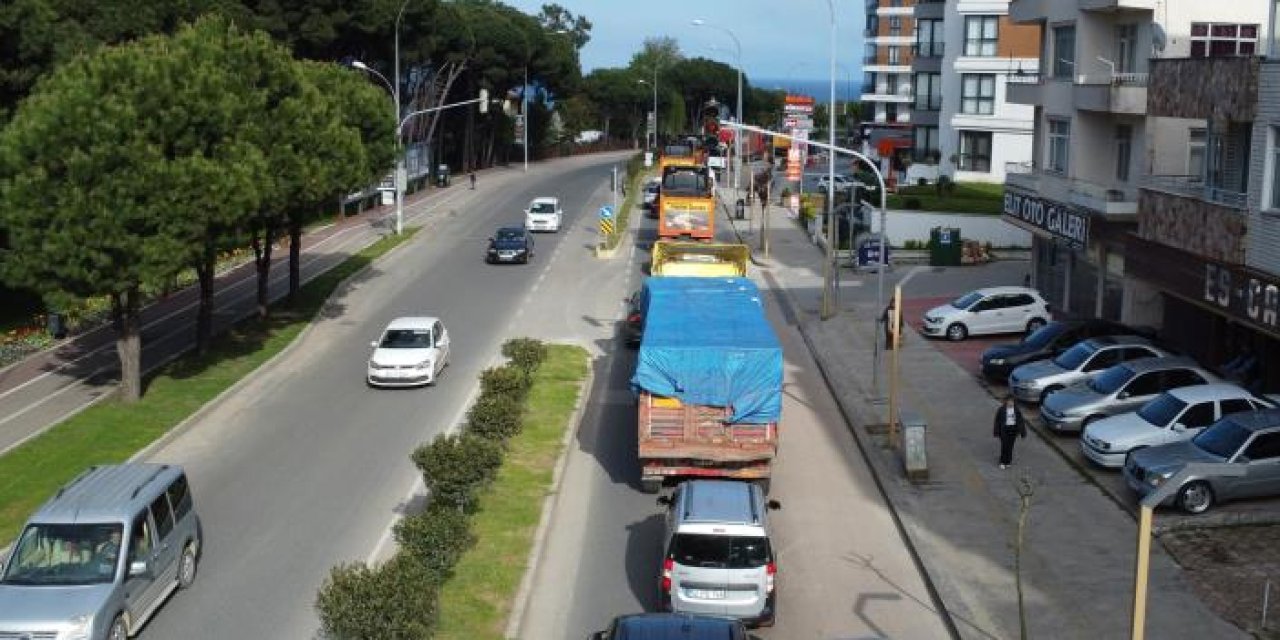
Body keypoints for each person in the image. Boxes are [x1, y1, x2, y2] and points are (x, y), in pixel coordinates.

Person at [992, 395, 1027, 469]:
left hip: (1013, 429)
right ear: (1006, 402)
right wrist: (996, 431)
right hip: (1004, 429)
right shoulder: (1001, 410)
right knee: (1004, 445)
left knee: (1010, 446)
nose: (1010, 403)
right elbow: (997, 421)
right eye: (1009, 401)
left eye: (1012, 402)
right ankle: (1002, 461)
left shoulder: (1016, 410)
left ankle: (1008, 461)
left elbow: (1020, 421)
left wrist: (1022, 432)